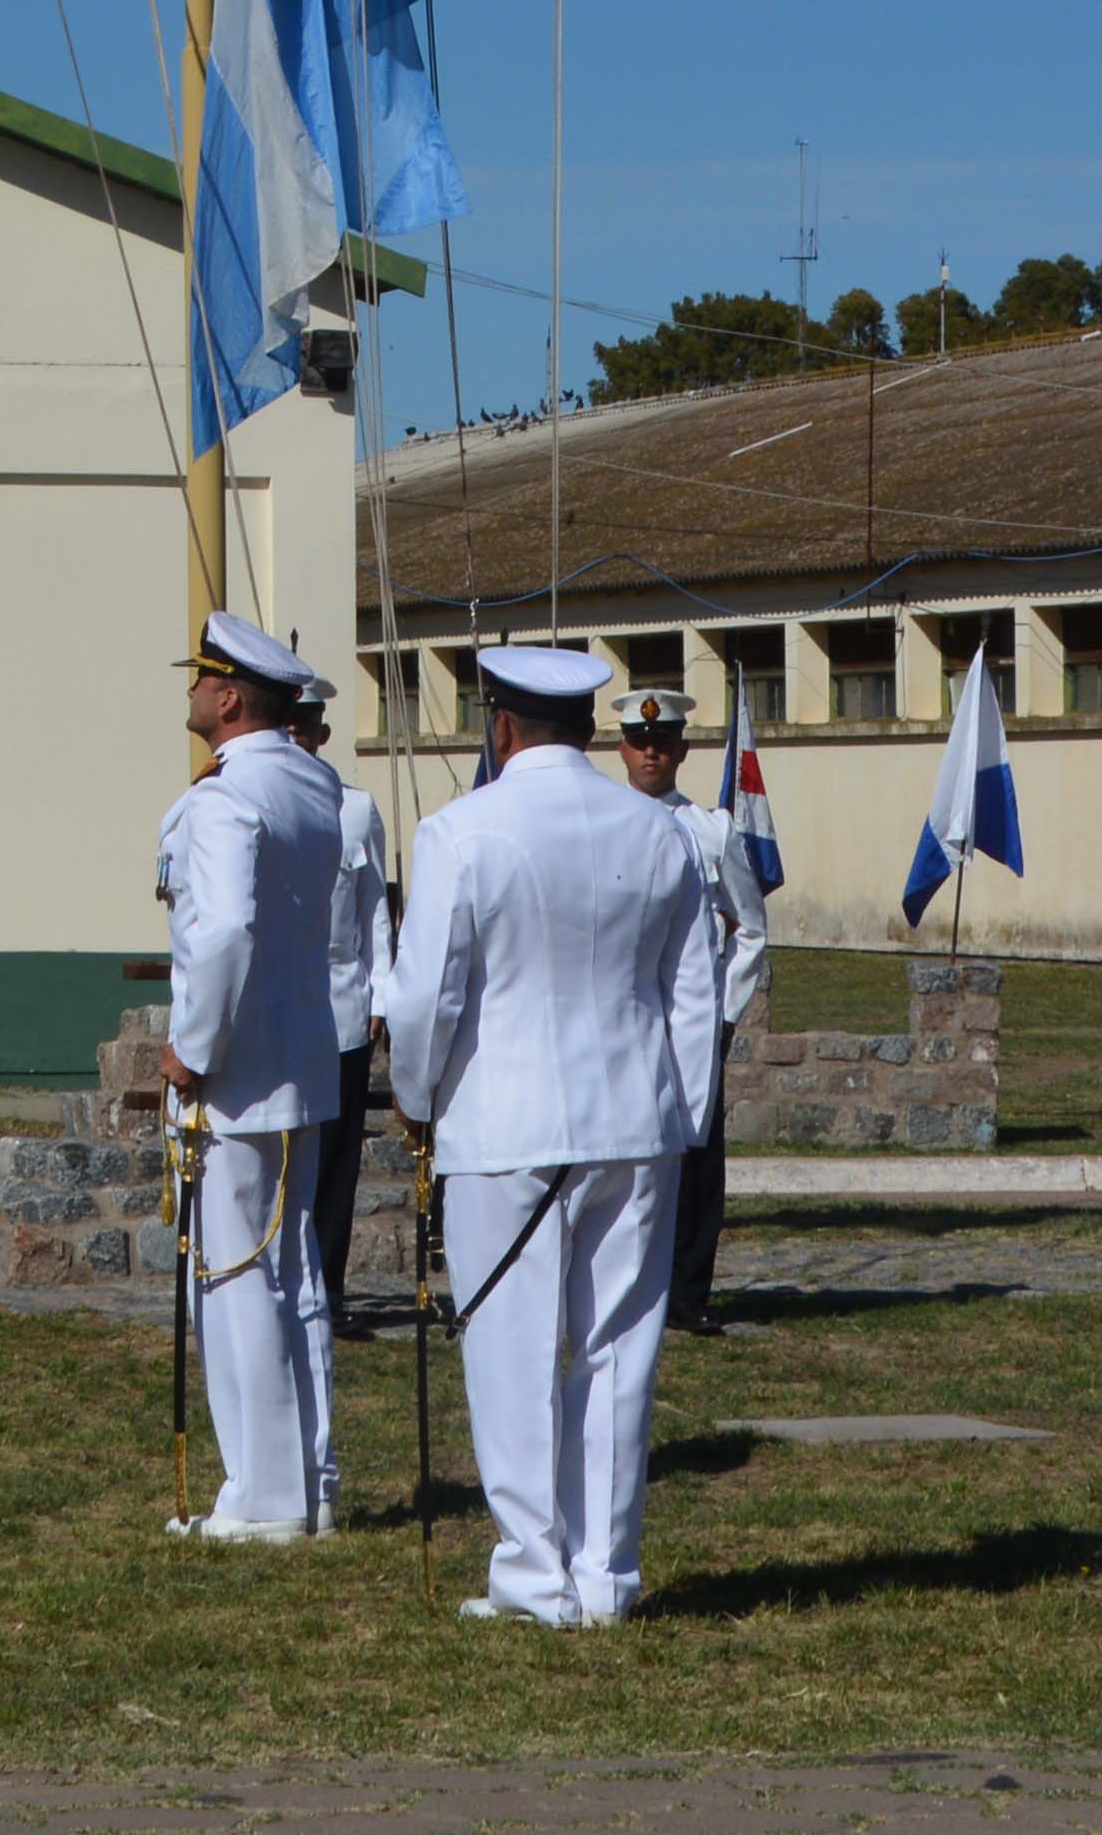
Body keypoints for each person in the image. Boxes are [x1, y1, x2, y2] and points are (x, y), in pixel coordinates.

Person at [391, 641, 733, 1631]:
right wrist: (681, 1114)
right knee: (616, 1350)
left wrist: (414, 1093)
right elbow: (690, 991)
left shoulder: (461, 831)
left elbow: (426, 997)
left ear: (498, 725)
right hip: (634, 1120)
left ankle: (533, 1575)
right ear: (588, 727)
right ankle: (604, 1574)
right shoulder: (659, 832)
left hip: (505, 1125)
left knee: (509, 1348)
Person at [157, 611, 353, 1542]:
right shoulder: (315, 787)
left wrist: (193, 1047)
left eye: (201, 679)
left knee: (235, 1277)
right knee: (295, 1273)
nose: (191, 691)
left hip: (234, 1074)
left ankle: (264, 1497)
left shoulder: (225, 799)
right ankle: (310, 1480)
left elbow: (224, 930)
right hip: (305, 1062)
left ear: (230, 697)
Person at [608, 681, 775, 1333]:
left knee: (697, 1156)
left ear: (682, 751)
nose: (651, 753)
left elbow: (751, 927)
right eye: (641, 742)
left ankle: (686, 1293)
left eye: (664, 744)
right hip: (623, 1010)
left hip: (693, 1020)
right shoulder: (601, 823)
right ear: (621, 747)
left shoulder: (712, 830)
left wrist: (727, 1010)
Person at [274, 645, 391, 1523]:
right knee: (290, 1159)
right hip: (288, 1007)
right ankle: (288, 1285)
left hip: (346, 1005)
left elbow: (377, 912)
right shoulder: (272, 805)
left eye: (314, 727)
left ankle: (336, 1290)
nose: (306, 738)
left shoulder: (355, 813)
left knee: (342, 1160)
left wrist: (383, 994)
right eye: (295, 726)